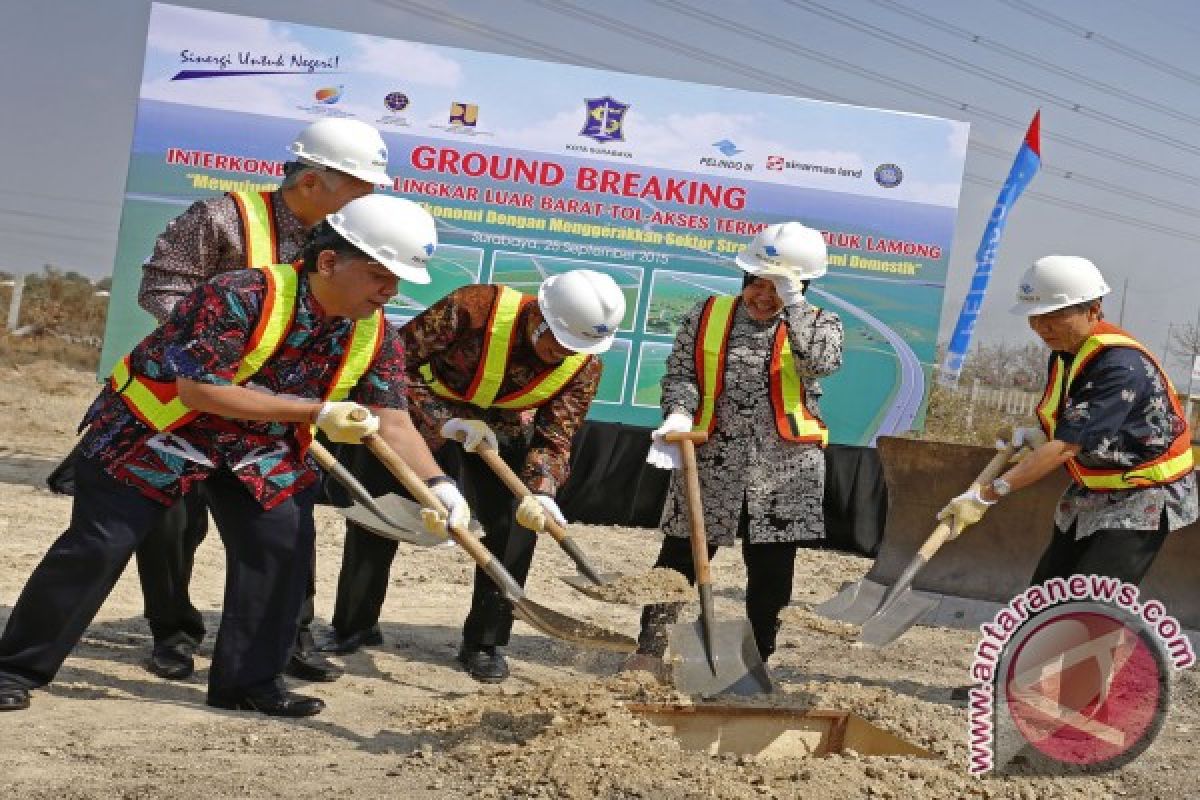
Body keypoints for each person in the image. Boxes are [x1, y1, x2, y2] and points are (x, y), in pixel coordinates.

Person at [0, 195, 470, 716]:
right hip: (155, 432)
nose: (392, 290)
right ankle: (15, 667)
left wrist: (438, 484)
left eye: (398, 280)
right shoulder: (237, 295)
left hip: (255, 446)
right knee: (99, 546)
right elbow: (199, 391)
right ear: (330, 261)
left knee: (283, 546)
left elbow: (394, 419)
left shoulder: (376, 332)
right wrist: (316, 411)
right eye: (381, 274)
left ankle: (248, 684)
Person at [133, 117, 388, 684]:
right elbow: (161, 285)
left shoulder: (347, 241)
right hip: (192, 402)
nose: (366, 199)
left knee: (288, 524)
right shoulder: (222, 219)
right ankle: (172, 633)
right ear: (312, 181)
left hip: (274, 416)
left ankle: (287, 638)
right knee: (171, 521)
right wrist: (222, 354)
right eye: (358, 185)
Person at [325, 269, 625, 683]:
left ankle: (485, 642)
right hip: (418, 415)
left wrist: (542, 491)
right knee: (383, 515)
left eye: (574, 348)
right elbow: (392, 367)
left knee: (515, 526)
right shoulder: (474, 308)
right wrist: (444, 421)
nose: (562, 354)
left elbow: (556, 435)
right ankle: (353, 624)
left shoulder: (584, 365)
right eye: (558, 342)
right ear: (539, 315)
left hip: (500, 431)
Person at [631, 222, 844, 670]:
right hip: (710, 459)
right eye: (758, 284)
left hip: (786, 467)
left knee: (769, 571)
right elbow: (681, 374)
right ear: (744, 279)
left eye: (779, 287)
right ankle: (649, 651)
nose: (764, 297)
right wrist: (678, 412)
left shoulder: (821, 324)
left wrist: (795, 305)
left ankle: (754, 662)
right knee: (678, 558)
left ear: (802, 285)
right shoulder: (707, 314)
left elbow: (820, 364)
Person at [937, 255, 1197, 586]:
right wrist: (1037, 435)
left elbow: (1066, 447)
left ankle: (1108, 638)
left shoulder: (1120, 365)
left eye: (1056, 316)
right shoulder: (1067, 353)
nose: (1043, 328)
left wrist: (986, 495)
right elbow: (1073, 421)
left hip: (1144, 492)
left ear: (1093, 310)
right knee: (1047, 593)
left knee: (1091, 604)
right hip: (1095, 484)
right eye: (1036, 317)